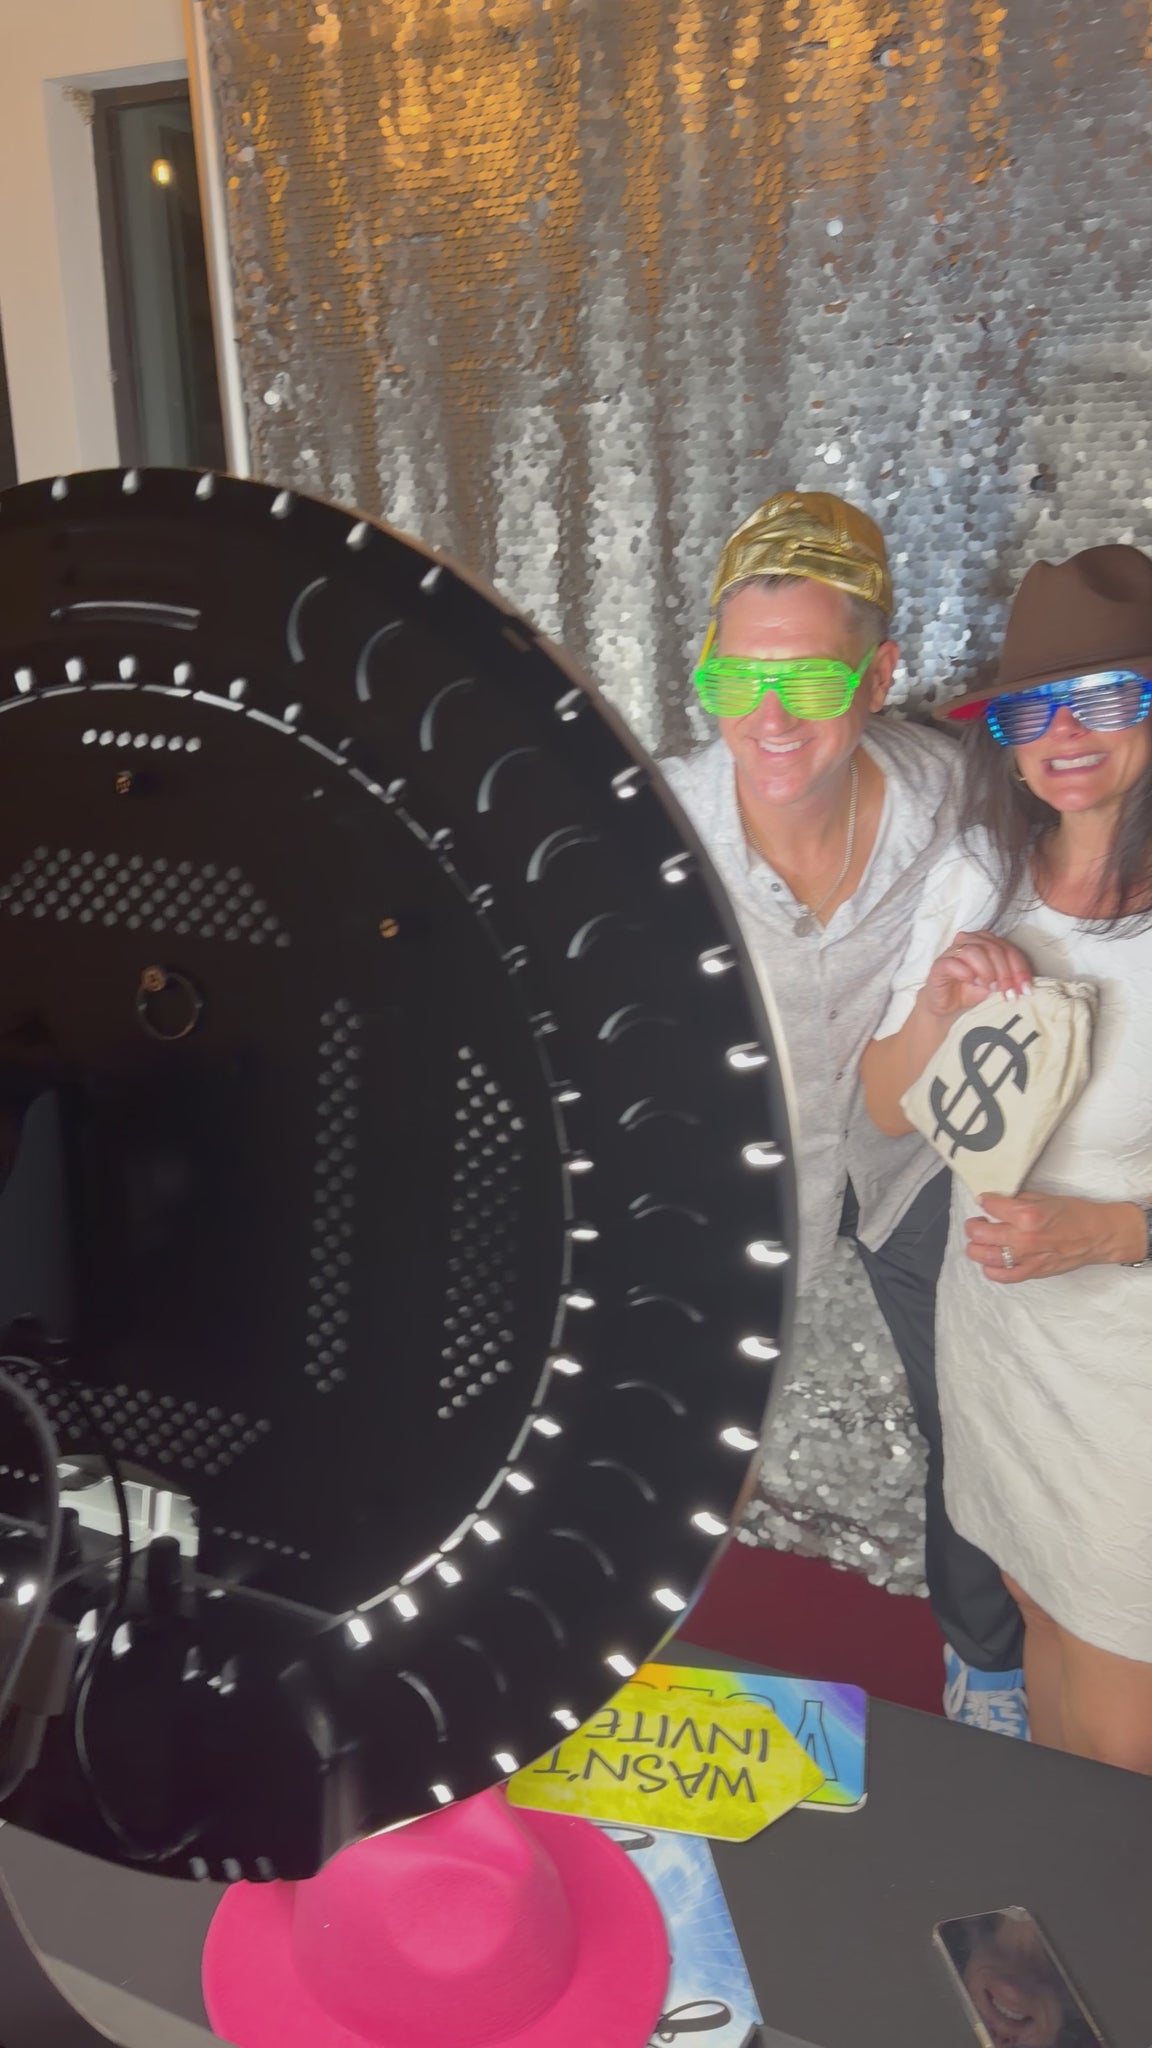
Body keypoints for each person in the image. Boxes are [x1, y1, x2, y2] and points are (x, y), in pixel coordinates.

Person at [661, 490, 1026, 1730]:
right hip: (726, 1174)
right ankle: (626, 1656)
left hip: (907, 1154)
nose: (768, 717)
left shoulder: (960, 798)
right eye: (738, 677)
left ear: (878, 676)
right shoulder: (653, 828)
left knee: (975, 1411)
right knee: (662, 1427)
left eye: (809, 679)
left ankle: (988, 1671)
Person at [862, 542, 1152, 1772]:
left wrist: (1114, 1230)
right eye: (1033, 709)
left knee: (1124, 1720)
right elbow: (888, 1110)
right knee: (1038, 1633)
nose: (1063, 735)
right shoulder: (984, 880)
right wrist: (936, 1002)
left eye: (1104, 697)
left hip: (1129, 1383)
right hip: (1001, 1346)